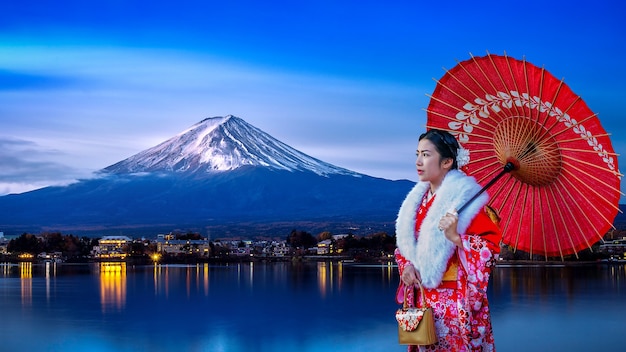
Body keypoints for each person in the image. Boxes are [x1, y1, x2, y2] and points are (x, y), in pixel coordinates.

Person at [394, 129, 502, 351]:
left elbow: (490, 249)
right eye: (417, 154)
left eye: (426, 154)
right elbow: (404, 249)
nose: (418, 161)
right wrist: (407, 266)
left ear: (447, 162)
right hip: (422, 301)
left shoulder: (468, 203)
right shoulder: (417, 203)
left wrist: (456, 237)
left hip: (455, 303)